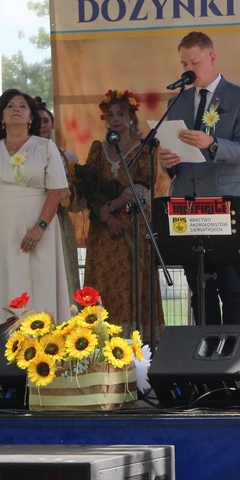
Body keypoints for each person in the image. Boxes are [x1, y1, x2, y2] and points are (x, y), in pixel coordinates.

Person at [158, 31, 240, 325]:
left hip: (225, 205)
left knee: (233, 288)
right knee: (200, 291)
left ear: (212, 58)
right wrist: (168, 163)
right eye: (184, 64)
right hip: (187, 205)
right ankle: (205, 349)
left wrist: (212, 144)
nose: (189, 69)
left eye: (195, 62)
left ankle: (236, 351)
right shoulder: (177, 102)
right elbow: (173, 157)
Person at [0, 88, 70, 328]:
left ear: (31, 117)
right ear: (1, 116)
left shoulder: (45, 147)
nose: (16, 110)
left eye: (22, 106)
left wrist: (40, 228)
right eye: (10, 106)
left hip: (35, 230)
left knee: (37, 286)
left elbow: (55, 192)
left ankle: (40, 339)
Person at [81, 89, 169, 341]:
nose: (115, 119)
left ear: (131, 117)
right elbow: (88, 187)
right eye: (110, 115)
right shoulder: (98, 149)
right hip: (104, 231)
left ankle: (135, 340)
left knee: (132, 281)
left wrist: (113, 205)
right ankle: (101, 339)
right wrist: (105, 215)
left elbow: (144, 188)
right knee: (105, 282)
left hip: (133, 225)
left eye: (121, 114)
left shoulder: (145, 149)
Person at [38, 101, 82, 296]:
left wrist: (68, 193)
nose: (42, 125)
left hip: (60, 222)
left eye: (46, 121)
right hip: (32, 219)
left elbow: (78, 201)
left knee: (64, 272)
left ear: (53, 124)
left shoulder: (67, 157)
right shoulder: (23, 157)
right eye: (38, 121)